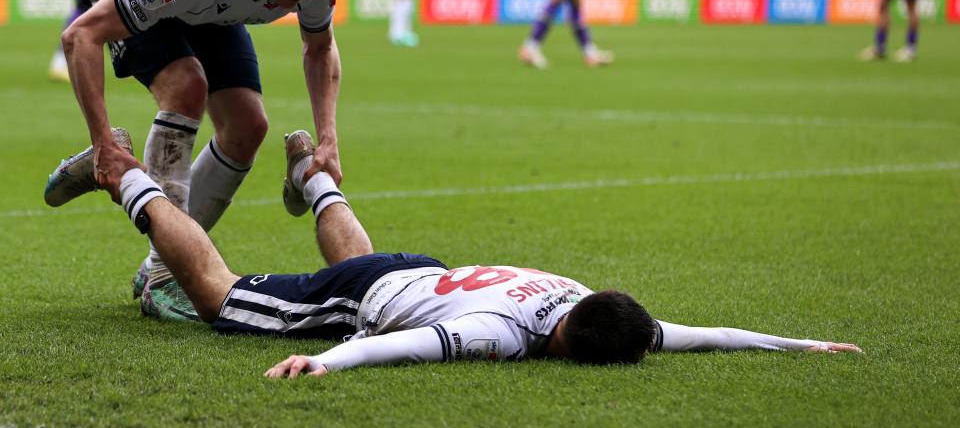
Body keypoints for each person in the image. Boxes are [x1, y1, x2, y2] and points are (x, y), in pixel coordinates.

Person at [46, 128, 862, 378]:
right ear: (569, 344)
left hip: (420, 271)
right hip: (377, 301)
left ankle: (312, 175)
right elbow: (411, 345)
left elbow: (698, 332)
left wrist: (799, 343)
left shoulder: (587, 297)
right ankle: (122, 173)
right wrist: (327, 365)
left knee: (361, 268)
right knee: (223, 297)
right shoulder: (506, 337)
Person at [44, 0, 373, 321]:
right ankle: (163, 275)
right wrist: (103, 140)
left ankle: (160, 257)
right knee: (186, 87)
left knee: (247, 126)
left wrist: (328, 140)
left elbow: (319, 48)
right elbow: (80, 36)